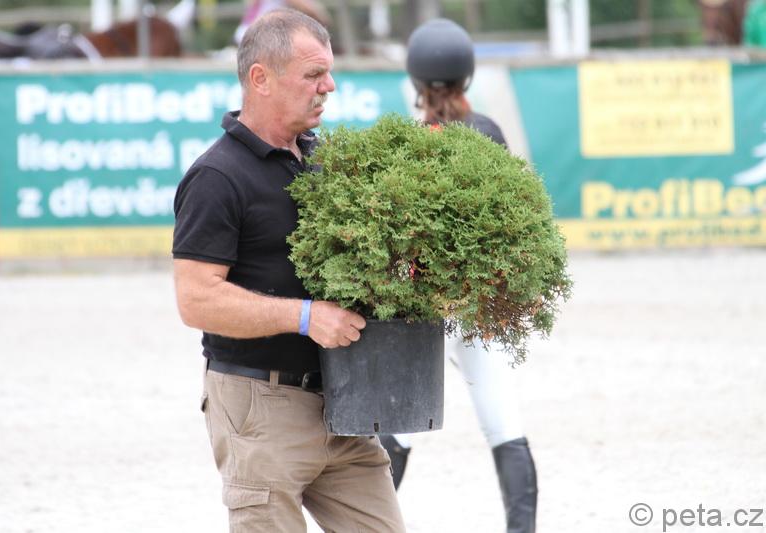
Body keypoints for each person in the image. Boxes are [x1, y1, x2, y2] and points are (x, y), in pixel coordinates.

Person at [172, 9, 405, 532]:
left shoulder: (322, 161)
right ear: (261, 78)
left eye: (329, 73)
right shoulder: (215, 177)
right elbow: (196, 299)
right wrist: (305, 316)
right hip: (261, 408)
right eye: (313, 74)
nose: (330, 86)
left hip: (345, 403)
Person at [379, 18, 538, 533]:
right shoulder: (489, 134)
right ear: (467, 77)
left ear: (416, 80)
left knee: (397, 434)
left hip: (424, 308)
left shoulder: (409, 142)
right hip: (478, 307)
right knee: (505, 429)